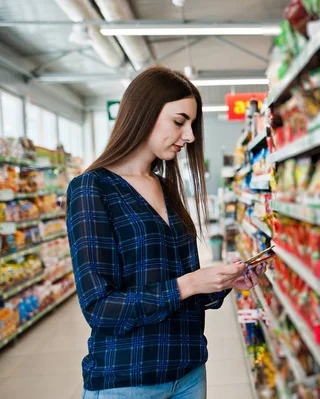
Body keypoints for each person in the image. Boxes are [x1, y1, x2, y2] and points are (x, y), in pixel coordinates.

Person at [66, 66, 265, 399]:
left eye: (191, 126)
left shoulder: (167, 187)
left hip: (188, 373)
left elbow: (179, 286)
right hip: (127, 381)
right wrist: (189, 283)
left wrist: (224, 282)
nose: (189, 136)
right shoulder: (92, 188)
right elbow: (100, 307)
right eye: (179, 121)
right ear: (145, 112)